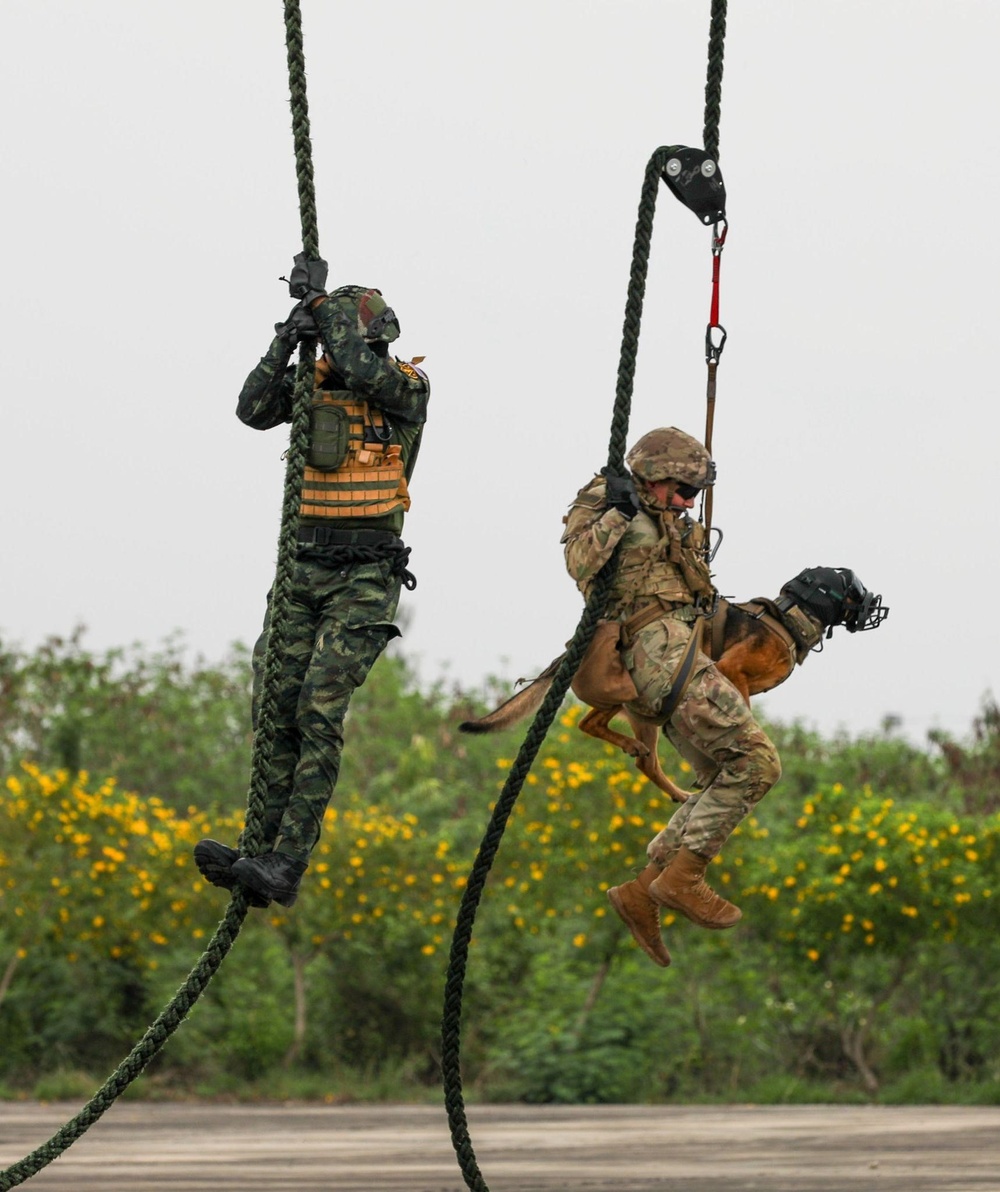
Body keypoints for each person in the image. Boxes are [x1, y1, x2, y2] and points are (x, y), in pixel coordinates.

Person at [194, 256, 429, 908]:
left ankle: (287, 861)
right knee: (273, 710)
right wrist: (286, 336)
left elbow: (357, 366)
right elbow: (251, 408)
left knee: (316, 710)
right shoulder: (312, 386)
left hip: (363, 578)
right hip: (303, 571)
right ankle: (258, 847)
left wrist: (322, 308)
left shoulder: (406, 390)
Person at [560, 427, 781, 967]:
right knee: (757, 763)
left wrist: (687, 535)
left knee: (722, 774)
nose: (686, 503)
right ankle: (683, 878)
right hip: (655, 657)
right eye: (681, 491)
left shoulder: (670, 519)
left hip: (680, 653)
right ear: (653, 478)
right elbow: (580, 566)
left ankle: (645, 889)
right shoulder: (610, 501)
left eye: (694, 495)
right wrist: (618, 511)